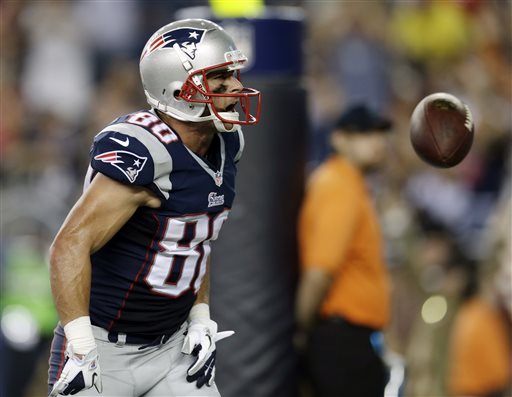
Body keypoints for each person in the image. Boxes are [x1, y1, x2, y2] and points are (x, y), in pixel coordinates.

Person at [47, 18, 261, 397]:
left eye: (234, 75)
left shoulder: (227, 145)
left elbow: (194, 240)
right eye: (220, 79)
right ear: (178, 89)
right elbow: (69, 244)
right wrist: (81, 348)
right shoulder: (147, 152)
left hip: (173, 348)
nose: (236, 88)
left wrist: (199, 318)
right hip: (103, 348)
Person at [295, 104, 392, 397]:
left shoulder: (351, 185)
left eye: (379, 133)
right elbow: (319, 272)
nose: (376, 141)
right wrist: (301, 330)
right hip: (339, 337)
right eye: (364, 133)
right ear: (339, 139)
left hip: (349, 338)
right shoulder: (338, 185)